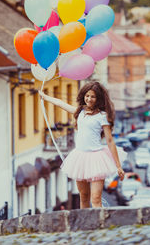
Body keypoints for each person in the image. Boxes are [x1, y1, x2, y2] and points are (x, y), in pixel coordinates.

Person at [39, 81, 126, 209]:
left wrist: (118, 166)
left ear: (98, 99)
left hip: (97, 158)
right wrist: (44, 97)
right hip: (80, 157)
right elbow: (61, 104)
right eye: (87, 96)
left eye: (93, 96)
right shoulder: (80, 112)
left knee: (95, 198)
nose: (89, 99)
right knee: (83, 196)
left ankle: (99, 226)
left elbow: (110, 141)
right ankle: (85, 226)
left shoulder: (102, 116)